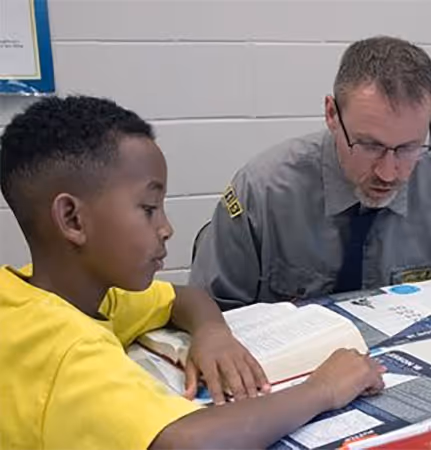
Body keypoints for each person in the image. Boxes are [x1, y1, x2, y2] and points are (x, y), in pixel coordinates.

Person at [0, 96, 385, 449]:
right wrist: (323, 389)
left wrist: (212, 333)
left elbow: (182, 298)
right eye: (149, 208)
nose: (166, 227)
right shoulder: (64, 349)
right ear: (72, 219)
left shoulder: (62, 292)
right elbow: (187, 444)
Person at [190, 36, 431, 310]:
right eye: (369, 145)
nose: (389, 173)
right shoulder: (263, 191)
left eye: (408, 147)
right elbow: (210, 321)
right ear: (332, 114)